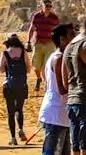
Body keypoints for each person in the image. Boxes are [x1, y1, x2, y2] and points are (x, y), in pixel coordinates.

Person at [40, 23, 75, 155]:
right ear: (62, 39)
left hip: (62, 114)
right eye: (71, 35)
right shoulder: (59, 57)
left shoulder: (61, 56)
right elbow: (62, 88)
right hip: (56, 114)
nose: (74, 37)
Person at [0, 33, 32, 145]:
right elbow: (28, 69)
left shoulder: (5, 53)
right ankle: (21, 129)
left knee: (10, 112)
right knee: (19, 109)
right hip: (22, 84)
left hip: (9, 85)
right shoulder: (23, 52)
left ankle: (13, 138)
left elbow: (1, 69)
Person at [61, 21, 86, 155]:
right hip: (84, 99)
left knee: (76, 144)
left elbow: (65, 82)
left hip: (72, 99)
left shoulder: (69, 46)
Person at [31, 0, 61, 92]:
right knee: (36, 67)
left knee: (46, 66)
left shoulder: (54, 18)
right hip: (38, 43)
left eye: (50, 6)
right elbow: (32, 28)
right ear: (42, 6)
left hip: (50, 44)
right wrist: (28, 41)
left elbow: (58, 31)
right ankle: (39, 78)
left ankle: (47, 85)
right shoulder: (37, 16)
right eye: (46, 6)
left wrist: (58, 43)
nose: (48, 8)